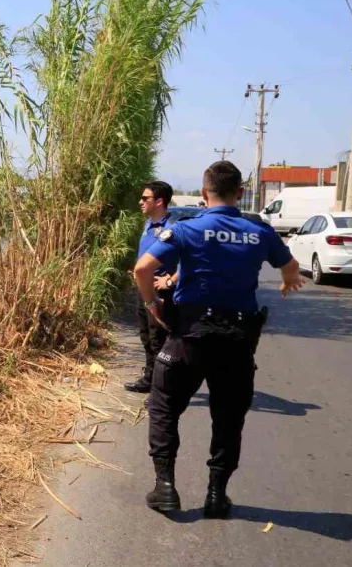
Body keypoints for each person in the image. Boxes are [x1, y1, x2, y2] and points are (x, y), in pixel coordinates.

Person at [133, 161, 306, 518]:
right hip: (237, 342)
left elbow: (143, 269)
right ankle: (216, 494)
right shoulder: (259, 232)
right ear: (240, 194)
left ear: (203, 192)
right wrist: (288, 282)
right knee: (228, 419)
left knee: (164, 407)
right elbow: (290, 268)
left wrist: (152, 304)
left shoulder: (187, 229)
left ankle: (165, 488)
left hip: (189, 337)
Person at [125, 181, 179, 394]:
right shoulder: (148, 225)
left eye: (145, 198)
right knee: (146, 336)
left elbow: (190, 260)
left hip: (160, 292)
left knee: (159, 342)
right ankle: (150, 379)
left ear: (159, 201)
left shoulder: (172, 228)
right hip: (143, 289)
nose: (140, 202)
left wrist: (170, 280)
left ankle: (162, 390)